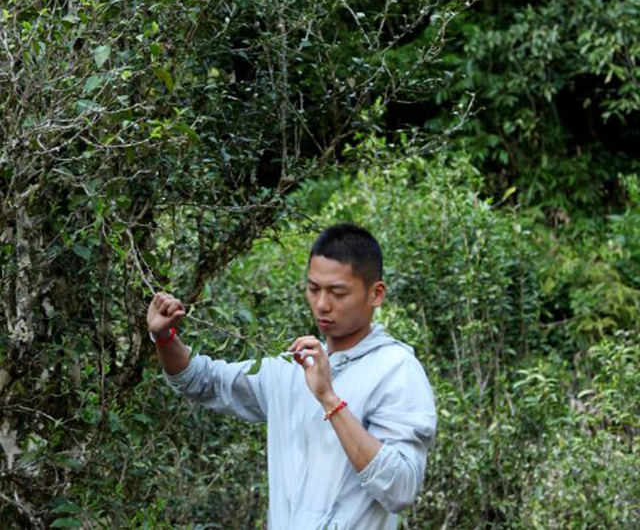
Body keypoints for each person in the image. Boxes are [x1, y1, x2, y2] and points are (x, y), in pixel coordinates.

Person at [147, 223, 436, 529]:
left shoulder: (396, 370)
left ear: (376, 294)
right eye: (313, 289)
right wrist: (165, 338)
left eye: (338, 292)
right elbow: (203, 381)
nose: (322, 304)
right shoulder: (291, 368)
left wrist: (329, 399)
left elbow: (401, 489)